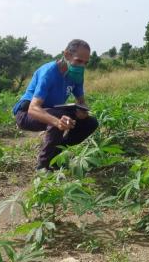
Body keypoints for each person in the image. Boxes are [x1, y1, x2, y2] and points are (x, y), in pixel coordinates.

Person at [12, 39, 99, 170]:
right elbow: (33, 109)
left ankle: (56, 156)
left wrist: (83, 110)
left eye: (85, 63)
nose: (82, 66)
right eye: (78, 61)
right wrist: (57, 122)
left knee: (90, 123)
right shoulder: (49, 73)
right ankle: (43, 165)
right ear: (66, 55)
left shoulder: (76, 75)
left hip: (54, 111)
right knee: (59, 117)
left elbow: (81, 101)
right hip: (25, 114)